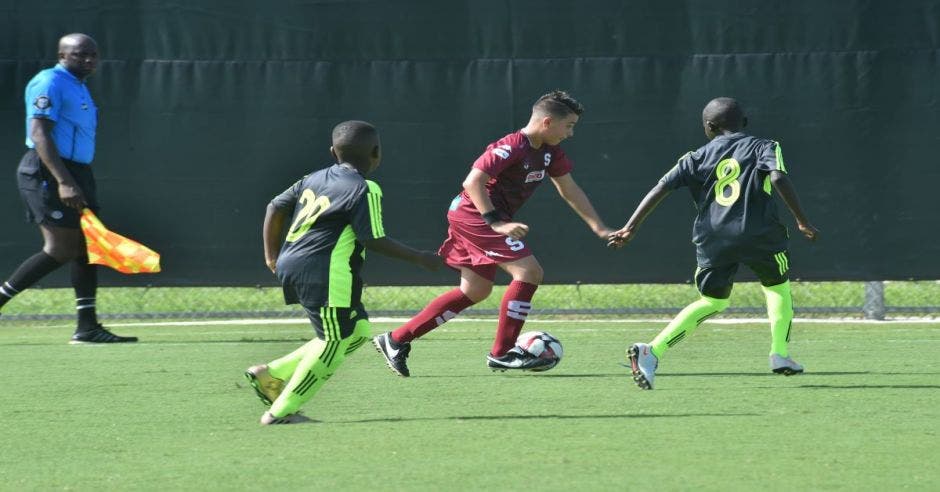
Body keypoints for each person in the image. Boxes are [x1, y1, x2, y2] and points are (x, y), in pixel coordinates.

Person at [372, 90, 614, 376]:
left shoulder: (550, 153)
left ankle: (396, 339)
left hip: (479, 217)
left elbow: (570, 189)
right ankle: (502, 354)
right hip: (474, 215)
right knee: (529, 272)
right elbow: (473, 181)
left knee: (475, 290)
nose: (571, 133)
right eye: (569, 126)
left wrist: (599, 228)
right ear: (548, 122)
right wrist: (495, 221)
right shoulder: (512, 146)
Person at [608, 97, 819, 390]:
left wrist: (630, 227)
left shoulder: (695, 157)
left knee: (713, 301)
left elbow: (661, 187)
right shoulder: (765, 146)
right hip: (760, 234)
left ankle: (652, 351)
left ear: (708, 127)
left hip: (714, 238)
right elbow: (778, 177)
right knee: (777, 288)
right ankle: (780, 354)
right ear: (744, 122)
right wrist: (802, 220)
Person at [244, 120, 441, 425]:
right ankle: (281, 411)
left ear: (333, 151)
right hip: (326, 271)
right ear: (377, 153)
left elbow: (274, 207)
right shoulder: (364, 188)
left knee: (357, 331)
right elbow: (371, 239)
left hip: (295, 263)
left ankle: (272, 374)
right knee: (333, 342)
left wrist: (272, 257)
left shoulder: (313, 178)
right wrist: (420, 258)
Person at [0, 33, 136, 343]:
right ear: (62, 56)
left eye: (93, 54)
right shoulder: (50, 82)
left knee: (86, 248)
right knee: (60, 248)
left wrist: (74, 178)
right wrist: (63, 181)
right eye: (79, 55)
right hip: (48, 170)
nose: (88, 60)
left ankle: (87, 327)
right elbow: (39, 135)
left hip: (75, 171)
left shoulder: (79, 86)